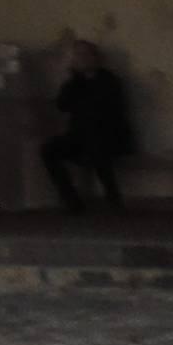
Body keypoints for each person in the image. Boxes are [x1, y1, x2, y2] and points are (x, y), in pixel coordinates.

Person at [47, 36, 136, 215]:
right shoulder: (74, 83)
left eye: (86, 55)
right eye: (78, 56)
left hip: (109, 136)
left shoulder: (109, 81)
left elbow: (104, 110)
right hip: (79, 137)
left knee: (97, 147)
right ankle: (71, 200)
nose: (82, 59)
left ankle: (113, 200)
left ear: (96, 57)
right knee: (48, 150)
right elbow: (62, 105)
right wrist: (76, 80)